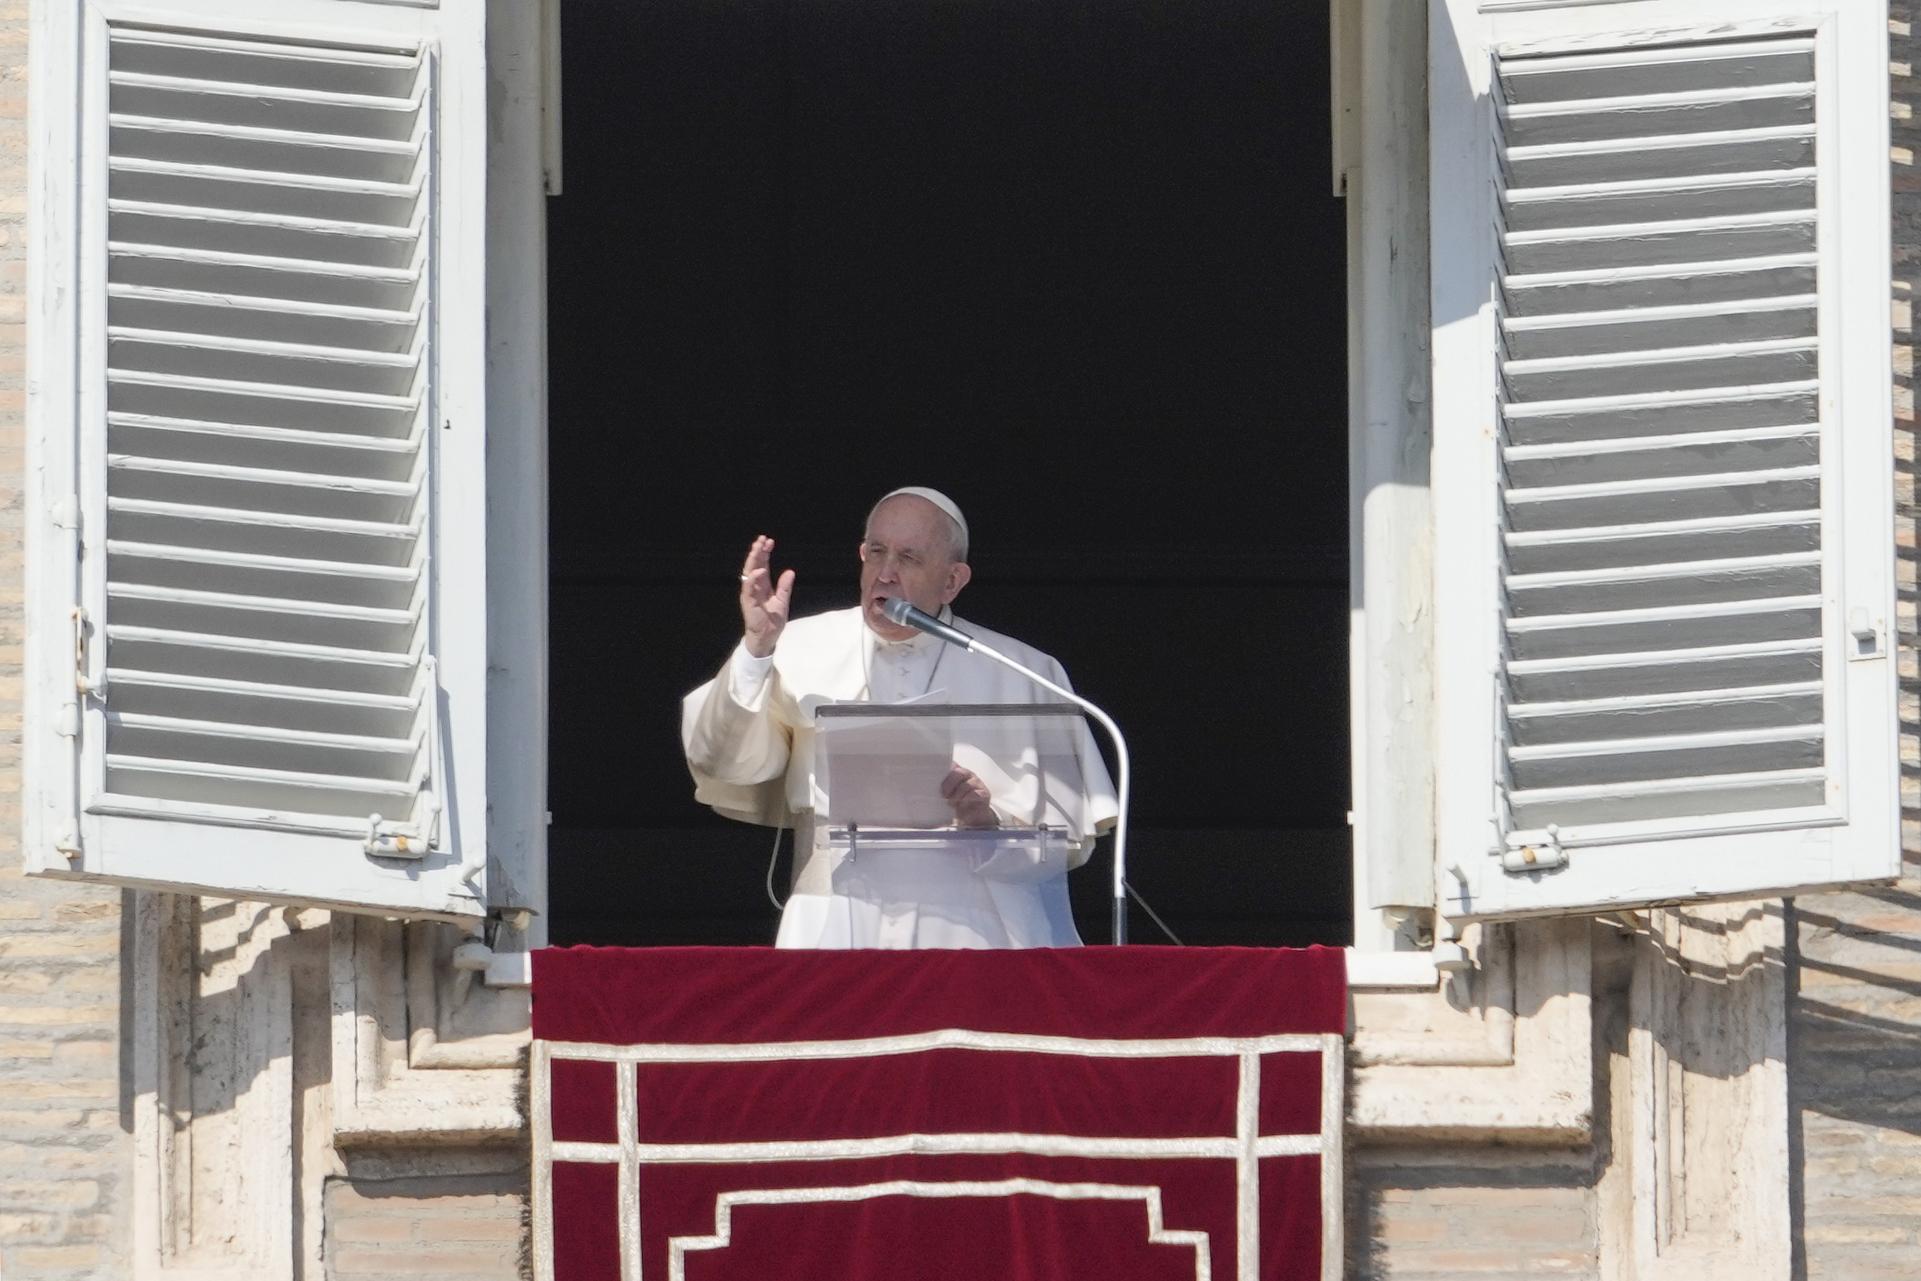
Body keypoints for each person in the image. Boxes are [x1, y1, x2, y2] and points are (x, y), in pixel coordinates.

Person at [681, 487, 1118, 948]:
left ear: (952, 581)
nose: (886, 574)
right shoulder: (793, 646)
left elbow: (1065, 845)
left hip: (975, 928)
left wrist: (987, 823)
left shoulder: (1022, 669)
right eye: (876, 552)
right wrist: (756, 649)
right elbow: (727, 762)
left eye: (909, 558)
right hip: (834, 918)